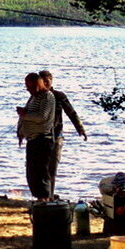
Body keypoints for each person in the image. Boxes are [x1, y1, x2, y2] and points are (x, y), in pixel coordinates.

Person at [38, 70, 87, 199]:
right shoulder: (37, 97)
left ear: (51, 81)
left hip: (56, 136)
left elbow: (71, 112)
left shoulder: (59, 96)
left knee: (52, 168)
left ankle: (49, 196)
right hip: (40, 137)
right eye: (43, 81)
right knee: (40, 169)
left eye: (47, 81)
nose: (45, 84)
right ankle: (42, 196)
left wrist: (80, 128)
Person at [16, 72, 55, 200]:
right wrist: (20, 132)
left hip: (42, 139)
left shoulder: (47, 96)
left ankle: (44, 198)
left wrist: (25, 114)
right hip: (32, 139)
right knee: (32, 172)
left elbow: (42, 117)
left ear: (37, 84)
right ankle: (39, 198)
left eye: (30, 86)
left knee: (41, 171)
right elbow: (25, 116)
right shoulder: (33, 97)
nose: (28, 89)